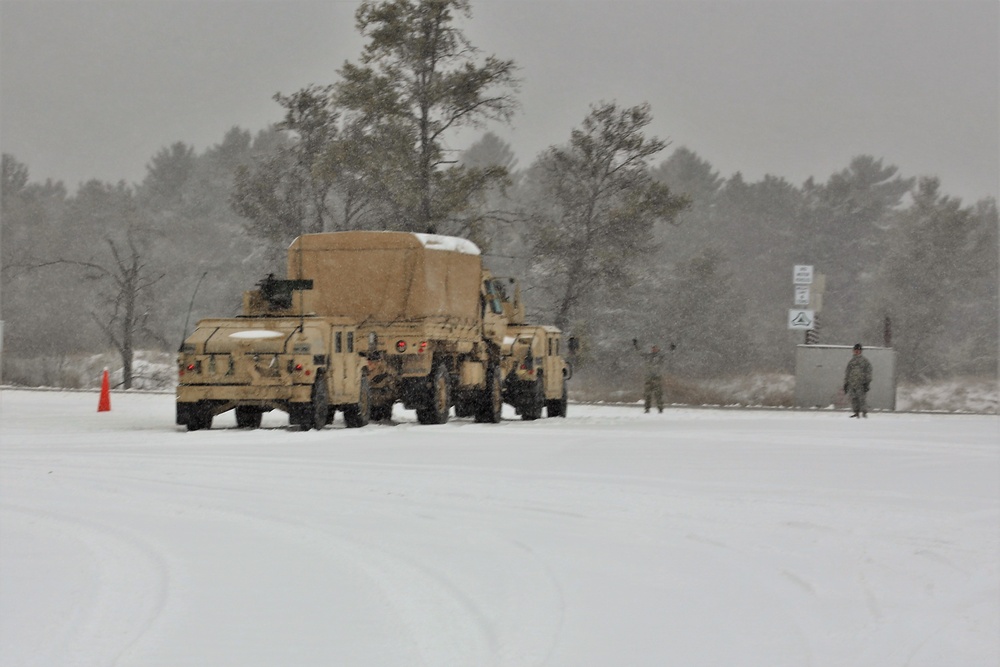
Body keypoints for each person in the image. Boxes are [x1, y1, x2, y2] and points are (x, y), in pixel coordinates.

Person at [634, 340, 665, 413]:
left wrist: (672, 349)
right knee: (647, 394)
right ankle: (647, 408)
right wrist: (636, 345)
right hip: (648, 377)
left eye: (655, 348)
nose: (653, 349)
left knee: (658, 394)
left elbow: (669, 354)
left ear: (658, 349)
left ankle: (660, 408)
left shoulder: (660, 356)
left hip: (657, 377)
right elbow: (639, 352)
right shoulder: (648, 356)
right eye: (652, 348)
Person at [843, 343, 873, 418]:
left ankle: (864, 413)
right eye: (855, 350)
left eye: (858, 350)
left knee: (862, 399)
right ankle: (856, 412)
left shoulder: (865, 361)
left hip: (861, 383)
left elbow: (868, 372)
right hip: (852, 383)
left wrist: (867, 382)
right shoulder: (851, 362)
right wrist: (846, 383)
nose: (856, 352)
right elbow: (847, 372)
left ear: (861, 351)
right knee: (854, 399)